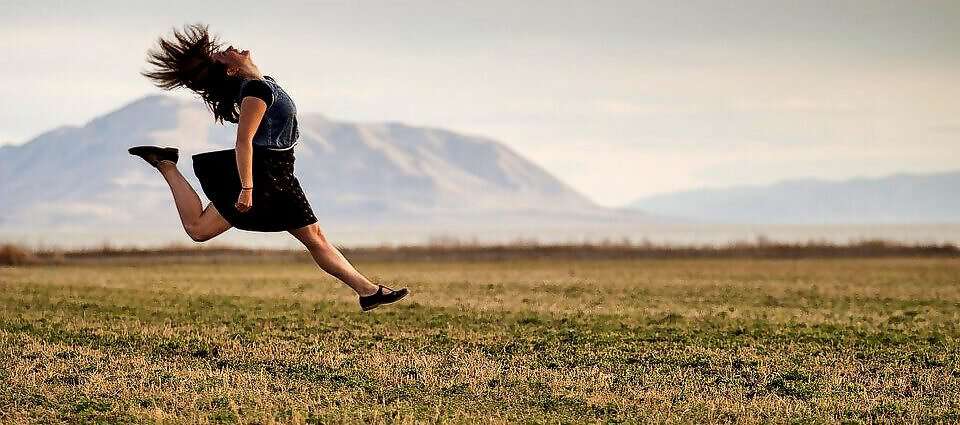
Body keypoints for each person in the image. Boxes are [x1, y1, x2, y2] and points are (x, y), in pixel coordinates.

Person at [129, 23, 407, 311]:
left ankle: (369, 292)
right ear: (231, 70)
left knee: (310, 238)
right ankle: (166, 166)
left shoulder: (262, 83)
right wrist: (247, 188)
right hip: (265, 175)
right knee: (202, 230)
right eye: (225, 54)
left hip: (278, 172)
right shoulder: (256, 91)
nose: (231, 49)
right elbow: (243, 142)